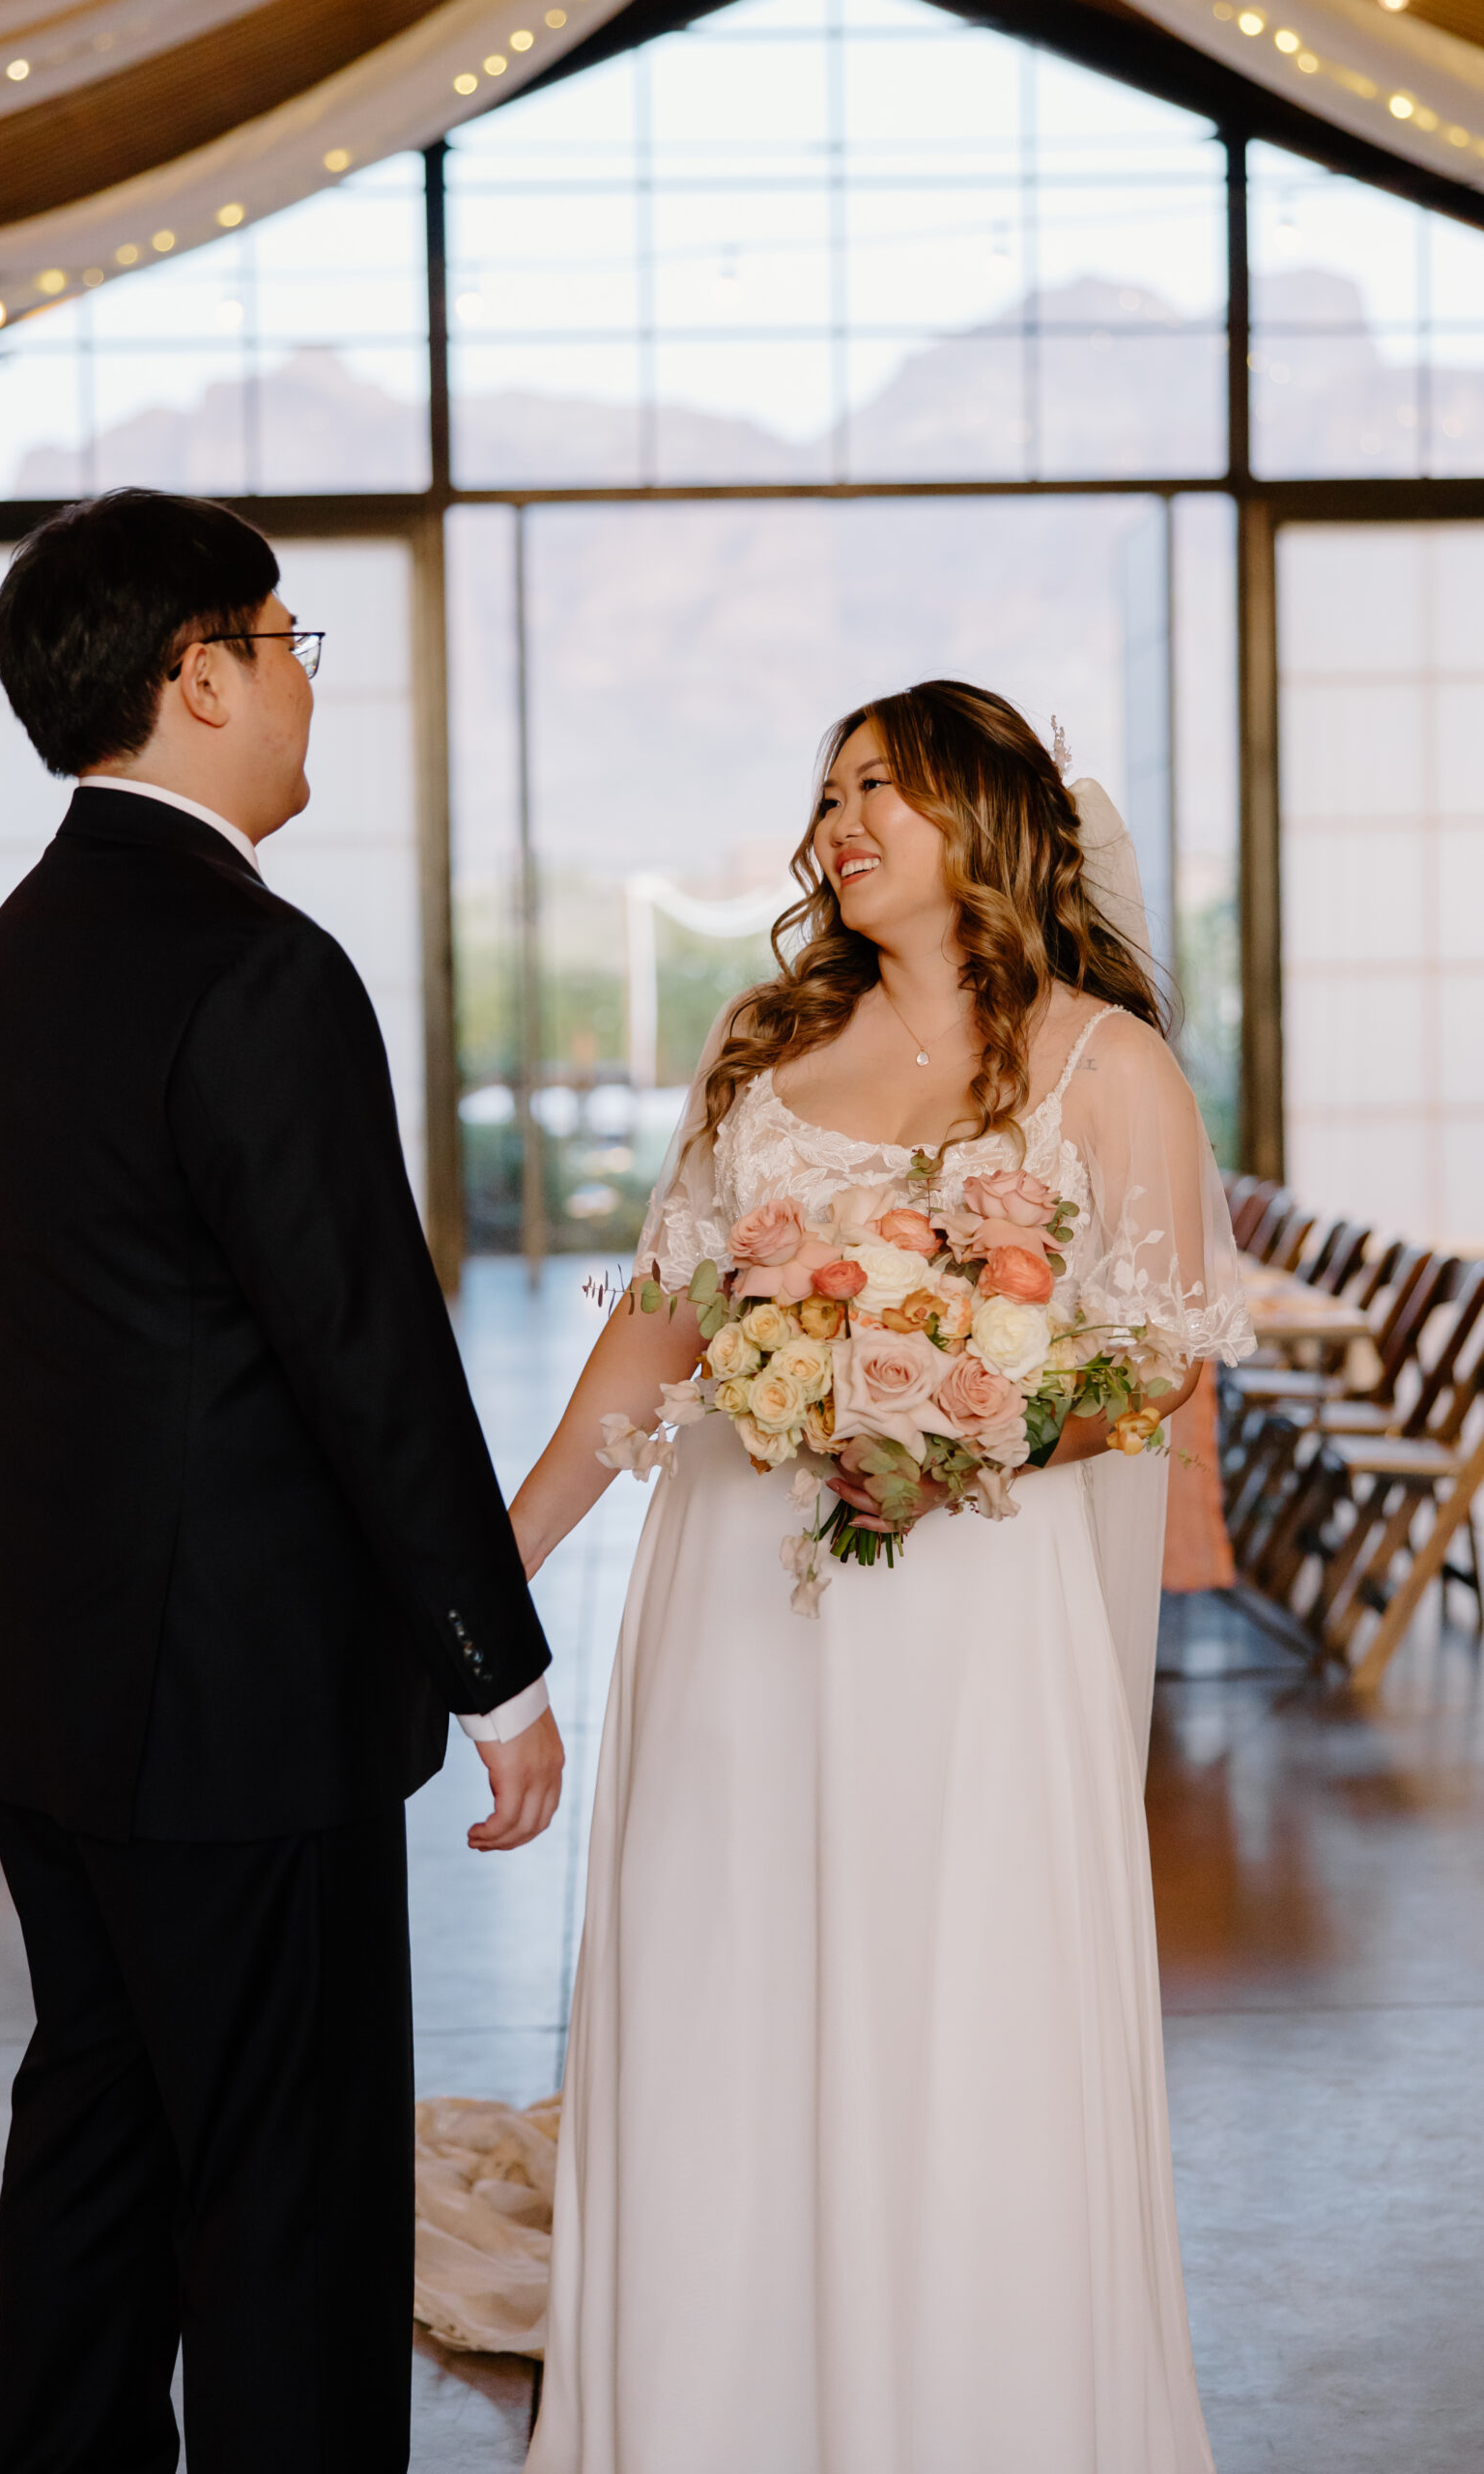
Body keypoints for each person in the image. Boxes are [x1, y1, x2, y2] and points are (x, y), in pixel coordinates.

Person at [512, 680, 1251, 2473]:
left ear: (986, 824)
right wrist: (488, 1576)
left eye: (883, 792)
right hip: (739, 1614)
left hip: (975, 1623)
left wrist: (961, 1425)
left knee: (963, 2000)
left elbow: (1161, 1364)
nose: (840, 824)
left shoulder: (1104, 1065)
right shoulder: (765, 1060)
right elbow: (657, 1338)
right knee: (727, 1989)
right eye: (830, 791)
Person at [0, 487, 564, 2474]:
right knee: (291, 2200)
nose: (306, 683)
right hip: (239, 1707)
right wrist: (497, 1660)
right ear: (196, 673)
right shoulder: (258, 964)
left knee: (100, 2155)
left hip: (54, 1679)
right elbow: (362, 1353)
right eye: (288, 642)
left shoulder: (25, 938)